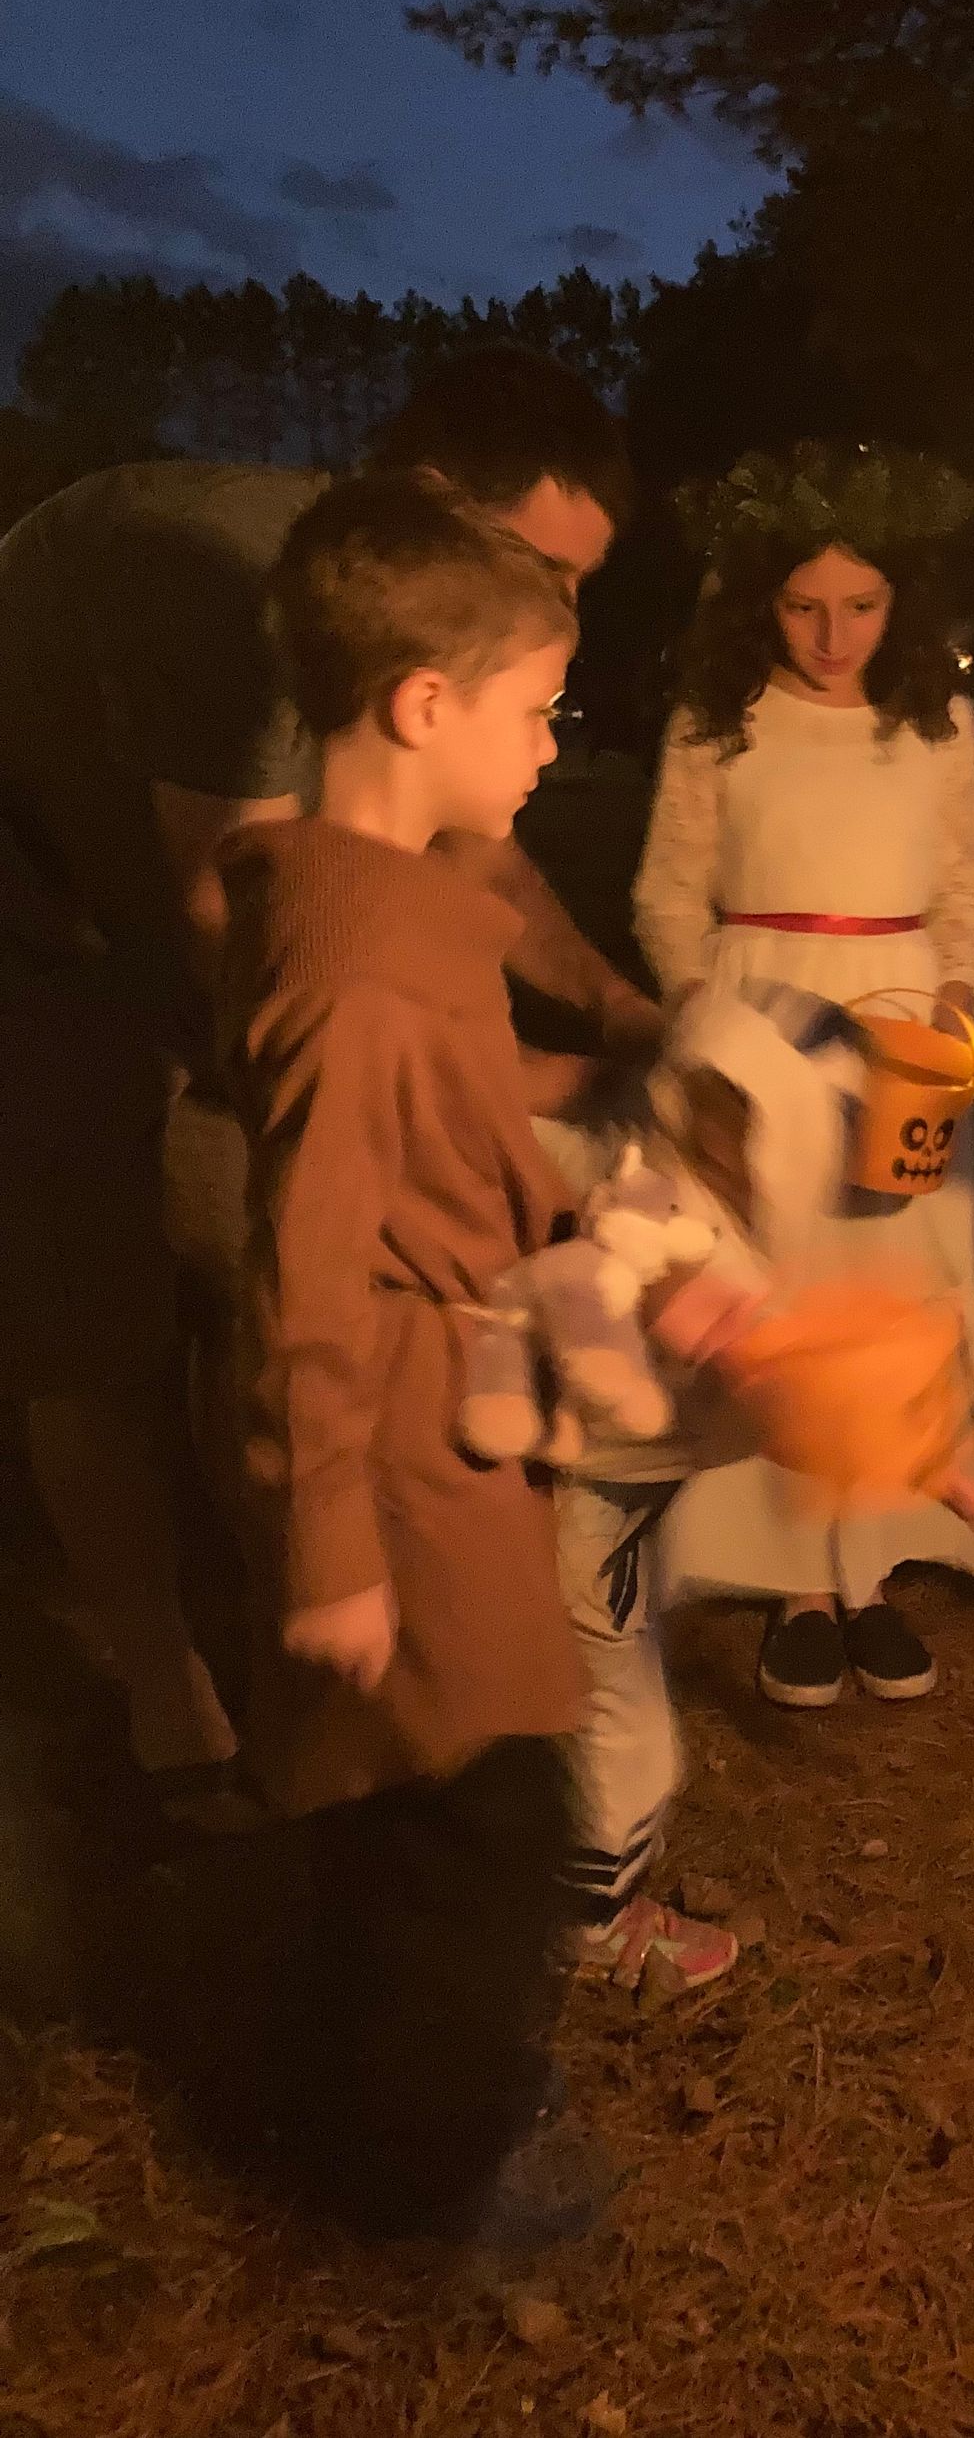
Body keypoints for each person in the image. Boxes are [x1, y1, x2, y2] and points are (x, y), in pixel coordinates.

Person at [0, 348, 656, 1816]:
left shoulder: (411, 655)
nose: (556, 602)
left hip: (200, 913)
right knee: (111, 1291)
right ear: (428, 508)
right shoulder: (240, 599)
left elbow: (465, 848)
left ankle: (313, 1624)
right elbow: (241, 931)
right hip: (39, 927)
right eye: (542, 564)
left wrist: (615, 1012)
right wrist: (474, 1083)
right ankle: (191, 1681)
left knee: (276, 1230)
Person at [219, 467, 609, 2246]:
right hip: (396, 1444)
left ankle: (358, 2094)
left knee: (419, 1807)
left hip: (436, 1407)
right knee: (482, 1818)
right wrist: (330, 1540)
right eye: (536, 709)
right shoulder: (362, 964)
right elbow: (304, 1262)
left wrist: (597, 1106)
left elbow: (444, 1105)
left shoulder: (374, 902)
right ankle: (426, 2160)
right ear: (424, 703)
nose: (549, 745)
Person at [632, 441, 974, 1710]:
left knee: (895, 1284)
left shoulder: (936, 724)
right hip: (761, 1022)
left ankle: (873, 1565)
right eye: (804, 606)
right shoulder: (720, 724)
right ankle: (794, 1578)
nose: (833, 636)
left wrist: (950, 1011)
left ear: (901, 600)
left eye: (860, 605)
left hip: (896, 1026)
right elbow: (669, 892)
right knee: (781, 1290)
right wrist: (706, 1031)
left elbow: (963, 888)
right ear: (762, 602)